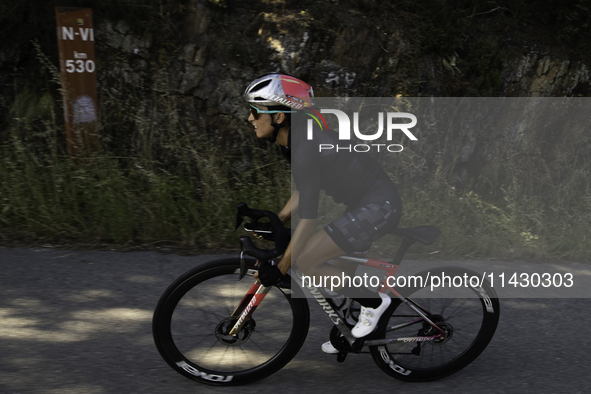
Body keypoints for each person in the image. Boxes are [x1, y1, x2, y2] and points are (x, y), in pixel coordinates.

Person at [244, 73, 402, 352]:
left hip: (378, 207)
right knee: (335, 277)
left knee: (307, 260)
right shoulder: (297, 139)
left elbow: (309, 218)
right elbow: (305, 189)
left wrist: (281, 268)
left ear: (279, 117)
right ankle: (356, 328)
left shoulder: (304, 144)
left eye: (256, 111)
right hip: (365, 205)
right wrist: (278, 220)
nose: (250, 119)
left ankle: (375, 303)